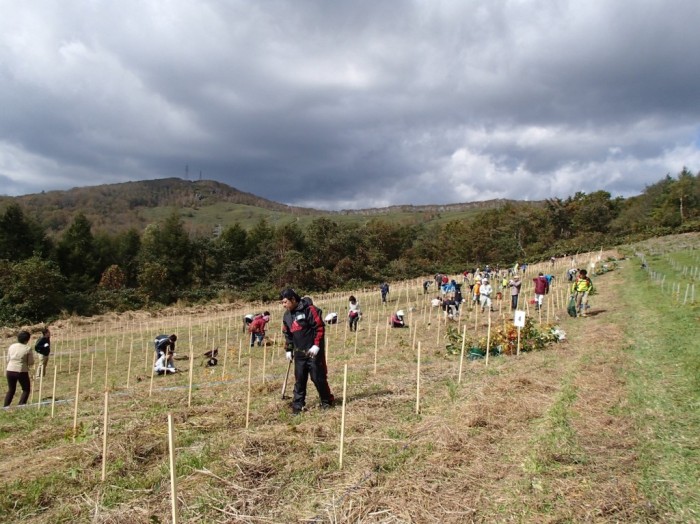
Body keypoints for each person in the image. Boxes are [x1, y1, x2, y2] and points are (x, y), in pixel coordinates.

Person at [281, 288, 334, 415]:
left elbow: (319, 328)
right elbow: (287, 333)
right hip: (299, 354)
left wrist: (316, 346)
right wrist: (289, 349)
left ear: (293, 299)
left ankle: (327, 401)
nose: (284, 305)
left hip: (313, 352)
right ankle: (297, 406)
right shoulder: (287, 316)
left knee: (318, 378)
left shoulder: (310, 310)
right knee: (299, 380)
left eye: (285, 302)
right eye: (282, 303)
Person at [4, 330, 33, 407]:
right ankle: (21, 405)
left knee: (11, 390)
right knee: (26, 389)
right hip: (21, 371)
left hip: (10, 370)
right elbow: (31, 362)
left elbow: (8, 359)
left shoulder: (12, 346)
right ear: (27, 340)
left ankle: (5, 406)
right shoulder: (27, 348)